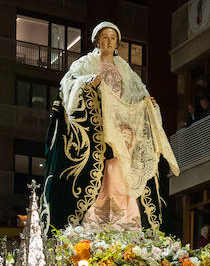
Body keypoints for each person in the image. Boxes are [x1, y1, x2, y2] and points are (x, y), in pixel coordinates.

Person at [47, 21, 179, 231]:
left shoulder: (125, 69)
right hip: (97, 126)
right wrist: (88, 82)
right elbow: (69, 84)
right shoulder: (86, 63)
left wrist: (147, 103)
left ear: (117, 42)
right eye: (104, 37)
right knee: (102, 169)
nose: (108, 42)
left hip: (122, 128)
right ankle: (96, 217)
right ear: (97, 40)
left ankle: (125, 219)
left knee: (122, 170)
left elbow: (137, 93)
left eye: (112, 38)